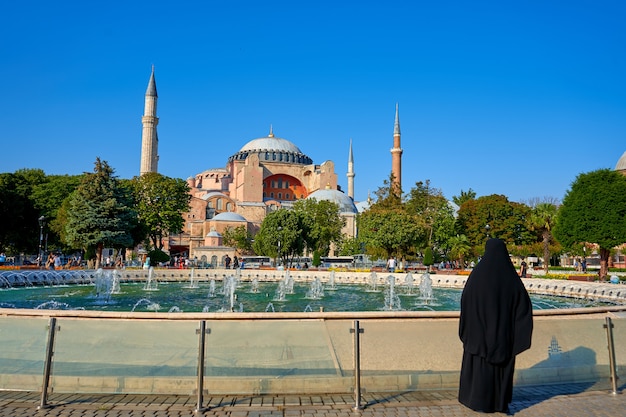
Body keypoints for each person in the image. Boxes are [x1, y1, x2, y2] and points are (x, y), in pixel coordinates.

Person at [458, 238, 533, 413]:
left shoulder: (477, 276)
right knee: (501, 372)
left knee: (479, 368)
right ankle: (499, 403)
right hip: (504, 338)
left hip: (478, 336)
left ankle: (477, 400)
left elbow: (466, 302)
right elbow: (523, 307)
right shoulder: (511, 278)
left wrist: (471, 328)